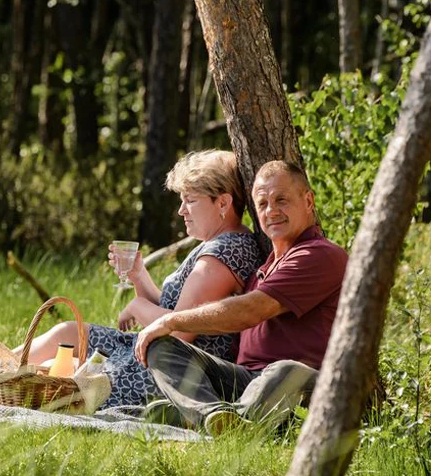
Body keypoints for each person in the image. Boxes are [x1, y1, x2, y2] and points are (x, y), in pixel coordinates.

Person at [0, 150, 262, 407]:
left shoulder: (222, 255)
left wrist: (137, 303)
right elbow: (172, 309)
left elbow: (181, 331)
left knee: (62, 377)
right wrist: (139, 277)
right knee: (68, 335)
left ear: (223, 203)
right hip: (151, 348)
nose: (181, 210)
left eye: (190, 200)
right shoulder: (216, 246)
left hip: (170, 370)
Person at [134, 160, 348, 433]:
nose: (272, 211)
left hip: (299, 382)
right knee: (162, 346)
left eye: (281, 200)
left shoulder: (320, 255)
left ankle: (206, 419)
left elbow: (252, 310)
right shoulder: (264, 268)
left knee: (285, 371)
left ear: (308, 201)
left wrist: (173, 321)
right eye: (263, 204)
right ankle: (215, 416)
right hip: (244, 380)